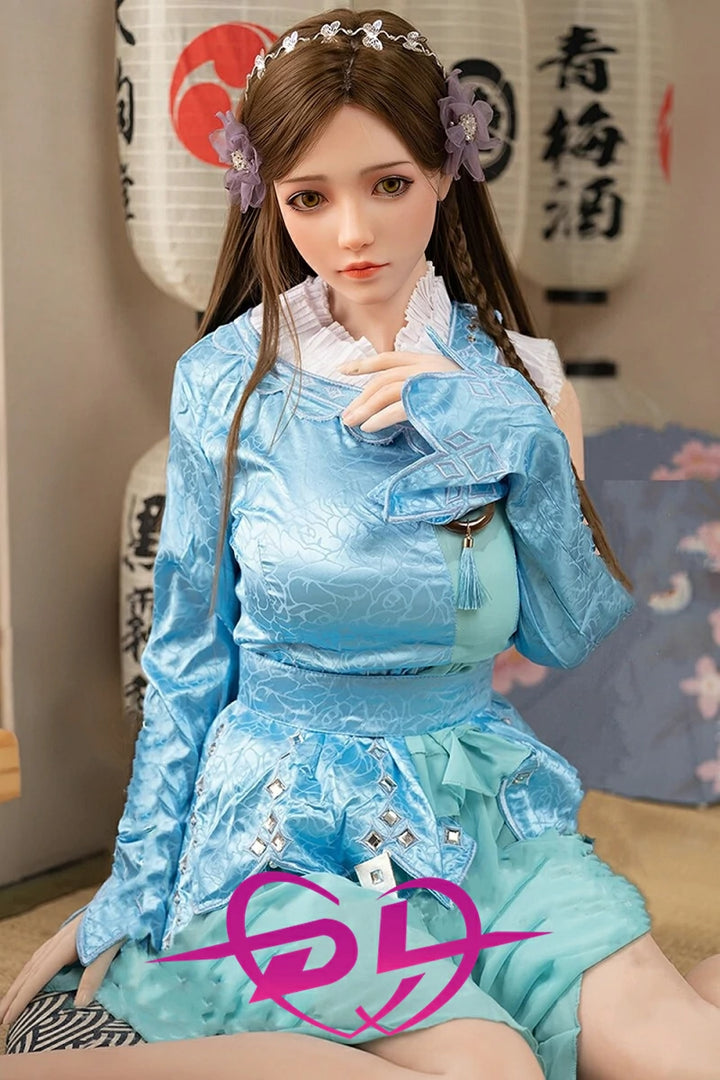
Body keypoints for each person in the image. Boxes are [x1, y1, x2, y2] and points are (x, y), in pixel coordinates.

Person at [2, 7, 720, 1078]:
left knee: (683, 1051)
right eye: (309, 197)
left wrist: (515, 437)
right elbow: (188, 661)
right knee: (488, 1068)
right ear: (269, 199)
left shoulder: (522, 381)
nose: (352, 233)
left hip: (479, 815)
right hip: (280, 835)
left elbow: (566, 634)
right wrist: (134, 883)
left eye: (387, 184)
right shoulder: (225, 384)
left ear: (444, 171)